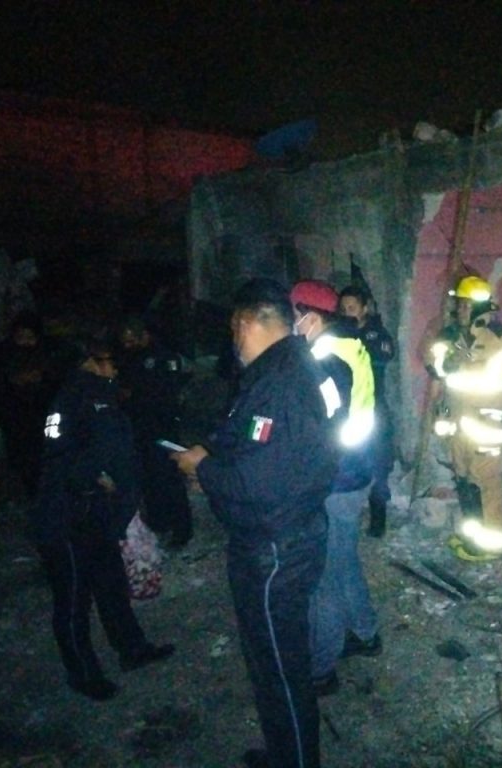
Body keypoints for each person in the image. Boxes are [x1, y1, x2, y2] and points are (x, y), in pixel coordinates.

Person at [171, 278, 337, 768]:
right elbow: (261, 446)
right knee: (276, 664)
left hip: (274, 547)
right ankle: (286, 753)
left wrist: (203, 468)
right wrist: (213, 457)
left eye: (233, 329)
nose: (233, 341)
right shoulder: (301, 366)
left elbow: (257, 482)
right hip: (298, 527)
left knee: (279, 670)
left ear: (246, 323)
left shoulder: (276, 384)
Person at [31, 333, 174, 701]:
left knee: (111, 585)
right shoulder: (77, 398)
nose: (115, 369)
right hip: (67, 516)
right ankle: (83, 673)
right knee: (73, 599)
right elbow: (63, 458)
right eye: (109, 361)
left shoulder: (95, 395)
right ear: (89, 362)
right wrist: (95, 480)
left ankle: (132, 648)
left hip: (93, 512)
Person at [291, 279, 382, 697]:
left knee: (325, 575)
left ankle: (321, 668)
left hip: (338, 478)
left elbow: (321, 427)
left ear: (310, 317)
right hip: (354, 471)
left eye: (293, 315)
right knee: (343, 562)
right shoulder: (349, 343)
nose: (290, 324)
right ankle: (365, 632)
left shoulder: (326, 358)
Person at [426, 275, 502, 562]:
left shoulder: (496, 337)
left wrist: (475, 367)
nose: (460, 310)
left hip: (486, 427)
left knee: (486, 485)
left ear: (478, 308)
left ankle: (492, 545)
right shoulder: (454, 337)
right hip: (460, 426)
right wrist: (447, 360)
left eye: (465, 305)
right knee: (464, 483)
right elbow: (436, 366)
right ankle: (473, 538)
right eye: (459, 304)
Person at [117, 316, 193, 547]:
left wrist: (136, 394)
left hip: (162, 428)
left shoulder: (164, 357)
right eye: (124, 341)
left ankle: (181, 529)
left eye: (131, 339)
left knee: (169, 477)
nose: (127, 345)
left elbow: (165, 393)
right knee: (148, 478)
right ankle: (159, 522)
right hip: (139, 428)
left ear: (143, 335)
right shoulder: (129, 357)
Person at [0, 310, 63, 499]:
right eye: (21, 337)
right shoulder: (0, 355)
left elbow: (58, 381)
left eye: (30, 337)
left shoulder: (49, 353)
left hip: (45, 417)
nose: (26, 343)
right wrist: (14, 381)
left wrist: (42, 379)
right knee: (23, 461)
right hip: (16, 419)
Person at [338, 284, 396, 537]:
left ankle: (378, 519)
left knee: (378, 462)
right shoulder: (340, 334)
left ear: (364, 308)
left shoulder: (376, 335)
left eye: (352, 307)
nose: (347, 313)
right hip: (346, 409)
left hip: (373, 408)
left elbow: (383, 358)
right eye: (343, 308)